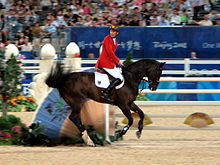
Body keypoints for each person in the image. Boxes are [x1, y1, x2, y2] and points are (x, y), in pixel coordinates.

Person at [95, 25, 123, 102]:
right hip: (105, 63)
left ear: (117, 33)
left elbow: (112, 54)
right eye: (111, 31)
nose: (112, 32)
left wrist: (116, 63)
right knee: (119, 78)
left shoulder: (116, 41)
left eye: (113, 31)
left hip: (110, 63)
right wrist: (118, 61)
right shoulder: (107, 39)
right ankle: (105, 92)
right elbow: (110, 53)